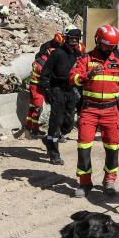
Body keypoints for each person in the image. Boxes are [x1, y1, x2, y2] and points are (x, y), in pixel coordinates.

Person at [69, 25, 119, 198]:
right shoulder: (85, 59)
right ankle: (84, 183)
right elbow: (73, 78)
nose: (108, 49)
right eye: (106, 46)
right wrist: (89, 74)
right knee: (84, 147)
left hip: (111, 111)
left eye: (112, 47)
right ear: (98, 41)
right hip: (89, 110)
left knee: (112, 147)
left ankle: (109, 180)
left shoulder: (118, 62)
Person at [39, 27, 83, 165]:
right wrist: (47, 91)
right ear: (66, 38)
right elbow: (45, 73)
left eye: (76, 39)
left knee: (69, 123)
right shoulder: (57, 53)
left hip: (71, 91)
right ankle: (54, 153)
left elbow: (81, 74)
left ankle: (49, 140)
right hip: (57, 90)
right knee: (56, 122)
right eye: (71, 39)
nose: (73, 41)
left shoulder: (78, 55)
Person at [24, 31, 63, 136]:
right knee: (37, 108)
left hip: (34, 86)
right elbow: (47, 76)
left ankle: (29, 126)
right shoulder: (44, 64)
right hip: (38, 87)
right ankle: (34, 130)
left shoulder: (39, 60)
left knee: (32, 107)